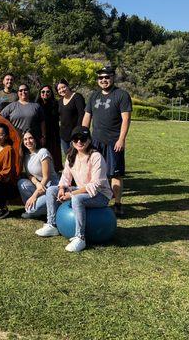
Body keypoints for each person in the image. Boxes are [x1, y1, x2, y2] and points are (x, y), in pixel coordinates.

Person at [35, 126, 113, 252]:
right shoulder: (71, 155)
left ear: (89, 140)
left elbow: (96, 184)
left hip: (100, 195)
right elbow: (66, 176)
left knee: (77, 199)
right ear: (72, 141)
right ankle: (52, 224)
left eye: (83, 139)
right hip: (82, 190)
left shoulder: (96, 156)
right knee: (51, 190)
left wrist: (71, 194)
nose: (79, 142)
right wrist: (61, 188)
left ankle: (80, 237)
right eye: (76, 139)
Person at [82, 67, 132, 217]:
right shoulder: (94, 96)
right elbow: (87, 117)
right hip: (95, 142)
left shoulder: (121, 95)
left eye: (106, 77)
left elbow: (126, 119)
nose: (103, 80)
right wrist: (83, 136)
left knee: (115, 174)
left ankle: (117, 204)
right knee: (92, 173)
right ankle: (94, 200)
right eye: (100, 77)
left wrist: (121, 139)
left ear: (113, 77)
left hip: (113, 142)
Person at [17, 130, 59, 219]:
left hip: (51, 187)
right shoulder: (26, 156)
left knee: (30, 210)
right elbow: (29, 175)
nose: (28, 141)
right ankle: (35, 207)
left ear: (35, 139)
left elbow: (46, 177)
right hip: (40, 187)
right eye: (25, 139)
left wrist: (34, 196)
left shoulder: (43, 152)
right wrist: (37, 184)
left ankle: (48, 207)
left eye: (30, 138)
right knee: (22, 183)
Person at [37, 84, 63, 171]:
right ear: (40, 93)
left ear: (51, 93)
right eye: (43, 92)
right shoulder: (36, 105)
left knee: (54, 157)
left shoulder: (56, 104)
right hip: (40, 135)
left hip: (53, 135)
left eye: (48, 91)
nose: (45, 93)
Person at [56, 79, 85, 154]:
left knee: (77, 155)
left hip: (75, 134)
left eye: (63, 87)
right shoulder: (60, 101)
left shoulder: (77, 97)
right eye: (59, 89)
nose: (61, 90)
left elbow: (82, 115)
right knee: (68, 157)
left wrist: (78, 133)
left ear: (68, 86)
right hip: (64, 135)